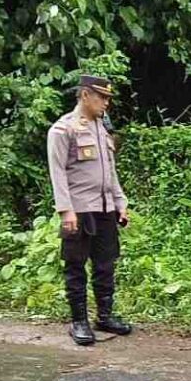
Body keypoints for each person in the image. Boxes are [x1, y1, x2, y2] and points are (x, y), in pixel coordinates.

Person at [47, 75, 133, 347]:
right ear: (85, 95)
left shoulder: (102, 128)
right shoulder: (64, 129)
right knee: (75, 266)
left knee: (106, 264)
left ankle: (104, 316)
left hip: (105, 208)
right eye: (102, 97)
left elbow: (111, 171)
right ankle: (79, 321)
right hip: (79, 210)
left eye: (108, 98)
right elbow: (57, 172)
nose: (106, 103)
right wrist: (65, 211)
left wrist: (120, 202)